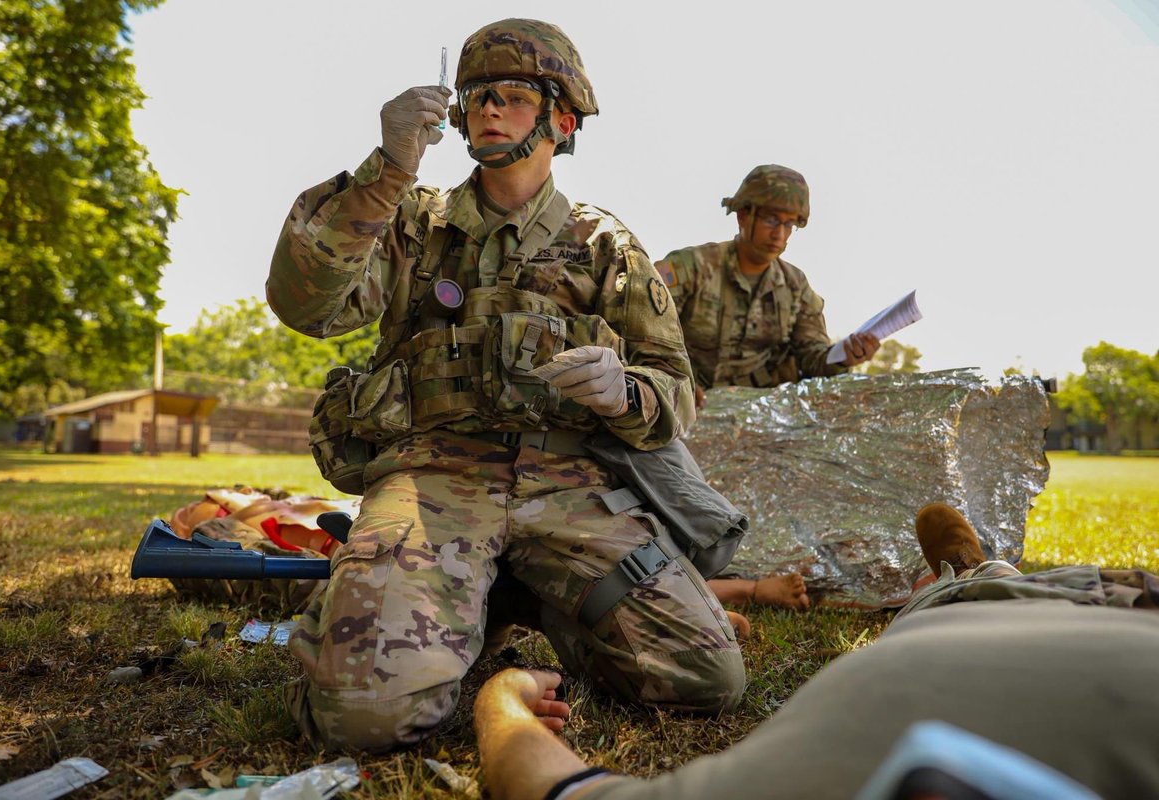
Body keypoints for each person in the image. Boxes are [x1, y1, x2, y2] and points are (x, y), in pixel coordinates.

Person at [266, 18, 744, 752]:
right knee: (365, 719)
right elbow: (305, 303)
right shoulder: (412, 222)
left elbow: (674, 388)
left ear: (560, 117)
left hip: (571, 488)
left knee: (704, 678)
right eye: (477, 96)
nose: (488, 109)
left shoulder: (603, 243)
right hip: (432, 479)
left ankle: (526, 601)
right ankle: (404, 610)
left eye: (513, 95)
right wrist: (386, 166)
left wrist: (625, 391)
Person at [474, 504, 1159, 800]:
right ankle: (968, 577)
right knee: (1007, 598)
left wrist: (500, 696)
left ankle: (959, 582)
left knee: (957, 615)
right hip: (1096, 634)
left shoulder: (862, 752)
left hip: (927, 673)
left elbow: (551, 787)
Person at [655, 165, 881, 409]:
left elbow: (813, 358)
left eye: (789, 225)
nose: (779, 234)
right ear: (743, 216)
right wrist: (676, 378)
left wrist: (844, 355)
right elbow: (646, 330)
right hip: (685, 405)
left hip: (763, 417)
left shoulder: (796, 286)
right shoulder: (691, 267)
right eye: (771, 220)